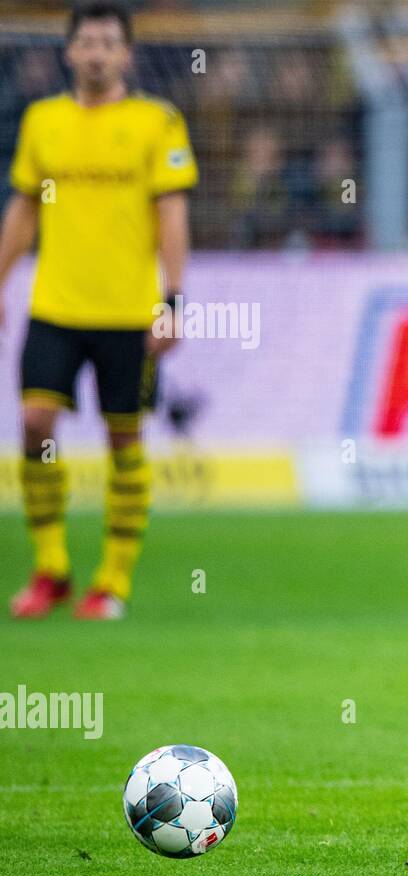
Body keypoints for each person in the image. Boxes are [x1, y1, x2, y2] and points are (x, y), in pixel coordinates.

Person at [0, 1, 196, 620]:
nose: (96, 53)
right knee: (34, 425)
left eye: (108, 44)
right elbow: (25, 207)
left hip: (129, 315)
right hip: (55, 306)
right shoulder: (43, 121)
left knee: (124, 439)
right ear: (68, 52)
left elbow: (172, 215)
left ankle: (111, 581)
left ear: (126, 55)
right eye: (87, 42)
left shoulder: (155, 122)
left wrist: (172, 302)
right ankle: (52, 567)